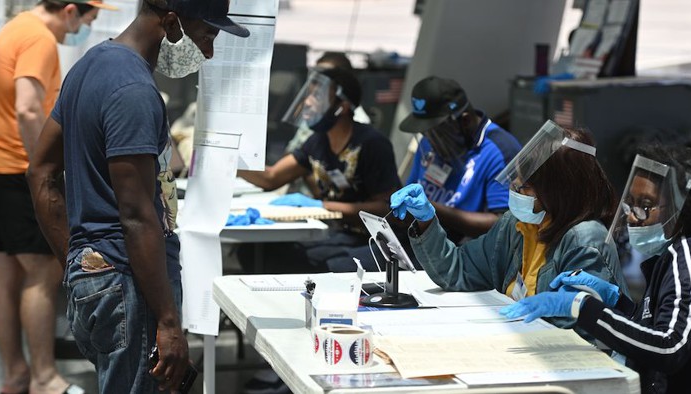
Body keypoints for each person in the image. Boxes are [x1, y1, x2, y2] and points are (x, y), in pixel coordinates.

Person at [27, 0, 249, 392]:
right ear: (171, 22)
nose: (209, 52)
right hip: (130, 285)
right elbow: (135, 214)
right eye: (207, 35)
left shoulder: (91, 65)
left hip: (106, 279)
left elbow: (41, 171)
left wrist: (79, 263)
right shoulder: (134, 92)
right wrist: (167, 321)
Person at [500, 145, 691, 394]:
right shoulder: (674, 254)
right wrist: (618, 302)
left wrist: (583, 308)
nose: (633, 216)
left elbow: (669, 347)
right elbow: (658, 325)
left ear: (681, 210)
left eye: (645, 206)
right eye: (631, 205)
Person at [0, 1, 112, 393]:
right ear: (69, 10)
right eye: (88, 19)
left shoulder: (17, 27)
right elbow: (28, 108)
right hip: (15, 169)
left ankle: (17, 374)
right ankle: (45, 379)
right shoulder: (39, 39)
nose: (82, 29)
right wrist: (43, 171)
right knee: (43, 273)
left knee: (6, 272)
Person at [392, 121, 628, 328]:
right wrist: (426, 220)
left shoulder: (585, 239)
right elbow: (457, 271)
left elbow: (578, 329)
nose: (514, 189)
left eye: (523, 186)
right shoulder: (518, 225)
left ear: (557, 191)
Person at [237, 67, 401, 273]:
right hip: (339, 234)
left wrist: (322, 206)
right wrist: (231, 159)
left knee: (313, 268)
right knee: (253, 252)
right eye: (309, 94)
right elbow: (272, 178)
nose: (308, 102)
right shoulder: (318, 142)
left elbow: (387, 210)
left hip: (375, 241)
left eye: (318, 96)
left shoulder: (372, 144)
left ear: (343, 106)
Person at [399, 76, 521, 241]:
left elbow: (504, 224)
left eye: (435, 132)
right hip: (421, 238)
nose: (428, 139)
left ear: (465, 120)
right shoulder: (428, 143)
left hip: (464, 250)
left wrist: (432, 211)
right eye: (424, 131)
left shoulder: (501, 149)